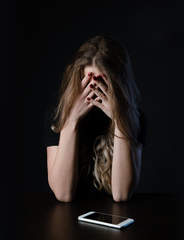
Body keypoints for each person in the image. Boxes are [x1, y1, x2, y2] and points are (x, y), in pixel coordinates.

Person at [43, 35, 147, 203]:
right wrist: (71, 121)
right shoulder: (57, 114)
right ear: (78, 79)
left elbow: (121, 194)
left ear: (119, 84)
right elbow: (63, 194)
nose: (96, 93)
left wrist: (120, 120)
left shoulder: (135, 118)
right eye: (89, 84)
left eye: (103, 85)